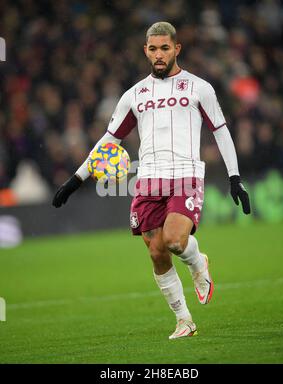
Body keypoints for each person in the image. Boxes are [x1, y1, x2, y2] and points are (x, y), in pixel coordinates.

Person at [53, 21, 250, 339]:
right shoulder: (134, 95)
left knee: (174, 241)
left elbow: (220, 130)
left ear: (177, 49)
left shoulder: (199, 88)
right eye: (153, 49)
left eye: (165, 48)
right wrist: (77, 178)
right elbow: (109, 140)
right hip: (147, 179)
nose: (159, 55)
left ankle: (198, 262)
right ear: (146, 51)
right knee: (156, 251)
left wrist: (234, 177)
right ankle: (184, 320)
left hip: (185, 174)